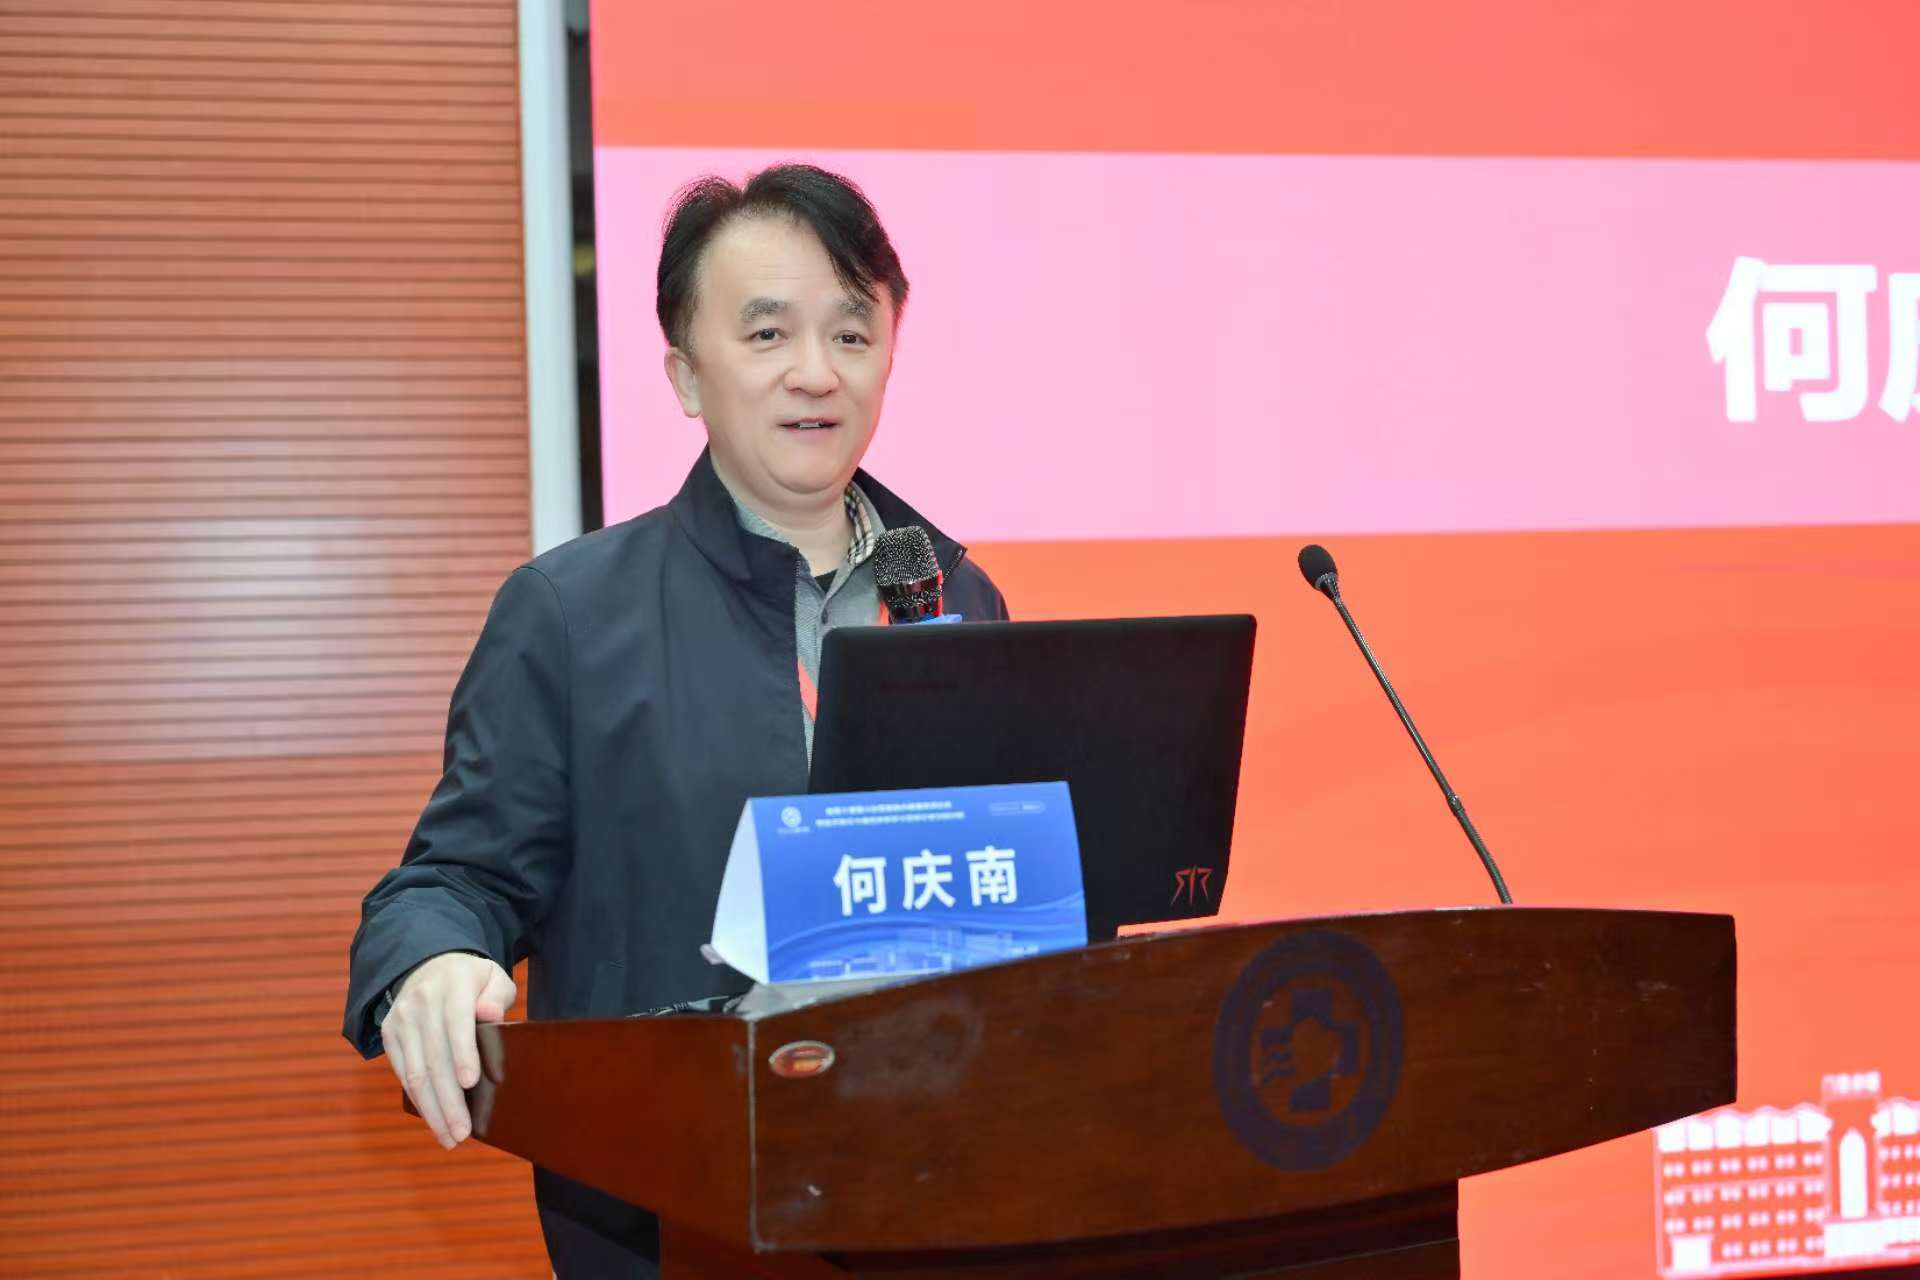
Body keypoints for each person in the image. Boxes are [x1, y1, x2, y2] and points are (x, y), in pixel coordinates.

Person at [342, 164, 1010, 1274]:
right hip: (669, 1213)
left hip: (929, 1193)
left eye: (852, 333)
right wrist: (435, 959)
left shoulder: (952, 594)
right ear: (686, 375)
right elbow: (454, 878)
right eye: (767, 333)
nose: (816, 371)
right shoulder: (570, 614)